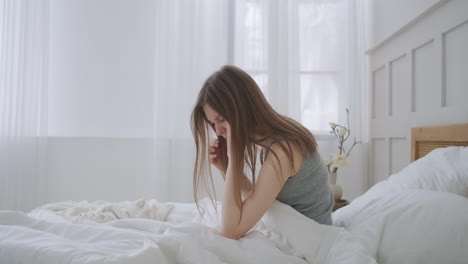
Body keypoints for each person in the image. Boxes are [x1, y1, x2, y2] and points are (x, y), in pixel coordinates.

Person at [190, 65, 333, 240]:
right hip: (293, 232)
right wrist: (226, 168)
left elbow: (230, 231)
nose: (218, 131)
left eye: (221, 119)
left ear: (242, 107)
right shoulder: (273, 137)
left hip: (309, 241)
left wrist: (233, 157)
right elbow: (261, 201)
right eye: (213, 124)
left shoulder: (284, 149)